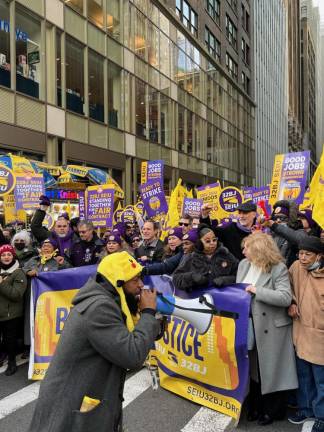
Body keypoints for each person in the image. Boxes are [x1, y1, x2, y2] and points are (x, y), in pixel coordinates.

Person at [28, 251, 162, 432]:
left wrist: (155, 318)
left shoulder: (110, 300)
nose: (141, 285)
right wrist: (148, 313)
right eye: (135, 279)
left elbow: (135, 334)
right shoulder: (99, 307)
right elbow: (132, 354)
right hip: (68, 406)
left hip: (84, 395)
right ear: (118, 282)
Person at [236, 232, 298, 425]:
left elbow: (285, 297)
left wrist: (257, 291)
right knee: (253, 368)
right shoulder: (243, 264)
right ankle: (255, 407)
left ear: (258, 249)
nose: (243, 251)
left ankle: (273, 410)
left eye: (246, 247)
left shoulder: (277, 268)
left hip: (272, 327)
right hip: (249, 325)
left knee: (271, 371)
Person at [287, 237, 324, 432]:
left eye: (307, 254)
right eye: (300, 253)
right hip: (301, 333)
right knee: (304, 376)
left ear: (319, 256)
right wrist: (291, 303)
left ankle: (322, 416)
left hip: (320, 337)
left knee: (321, 381)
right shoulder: (295, 267)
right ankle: (305, 408)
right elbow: (289, 288)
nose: (302, 258)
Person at [173, 225, 238, 292]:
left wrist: (225, 280)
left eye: (214, 240)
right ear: (200, 243)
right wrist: (191, 277)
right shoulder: (191, 258)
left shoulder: (227, 255)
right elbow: (176, 278)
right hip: (198, 299)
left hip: (223, 298)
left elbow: (240, 275)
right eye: (208, 241)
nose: (212, 243)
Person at [0, 244, 27, 375]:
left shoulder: (18, 272)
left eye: (8, 254)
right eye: (3, 255)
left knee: (9, 340)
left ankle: (12, 362)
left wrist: (2, 283)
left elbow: (16, 295)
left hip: (11, 313)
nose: (6, 257)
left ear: (13, 255)